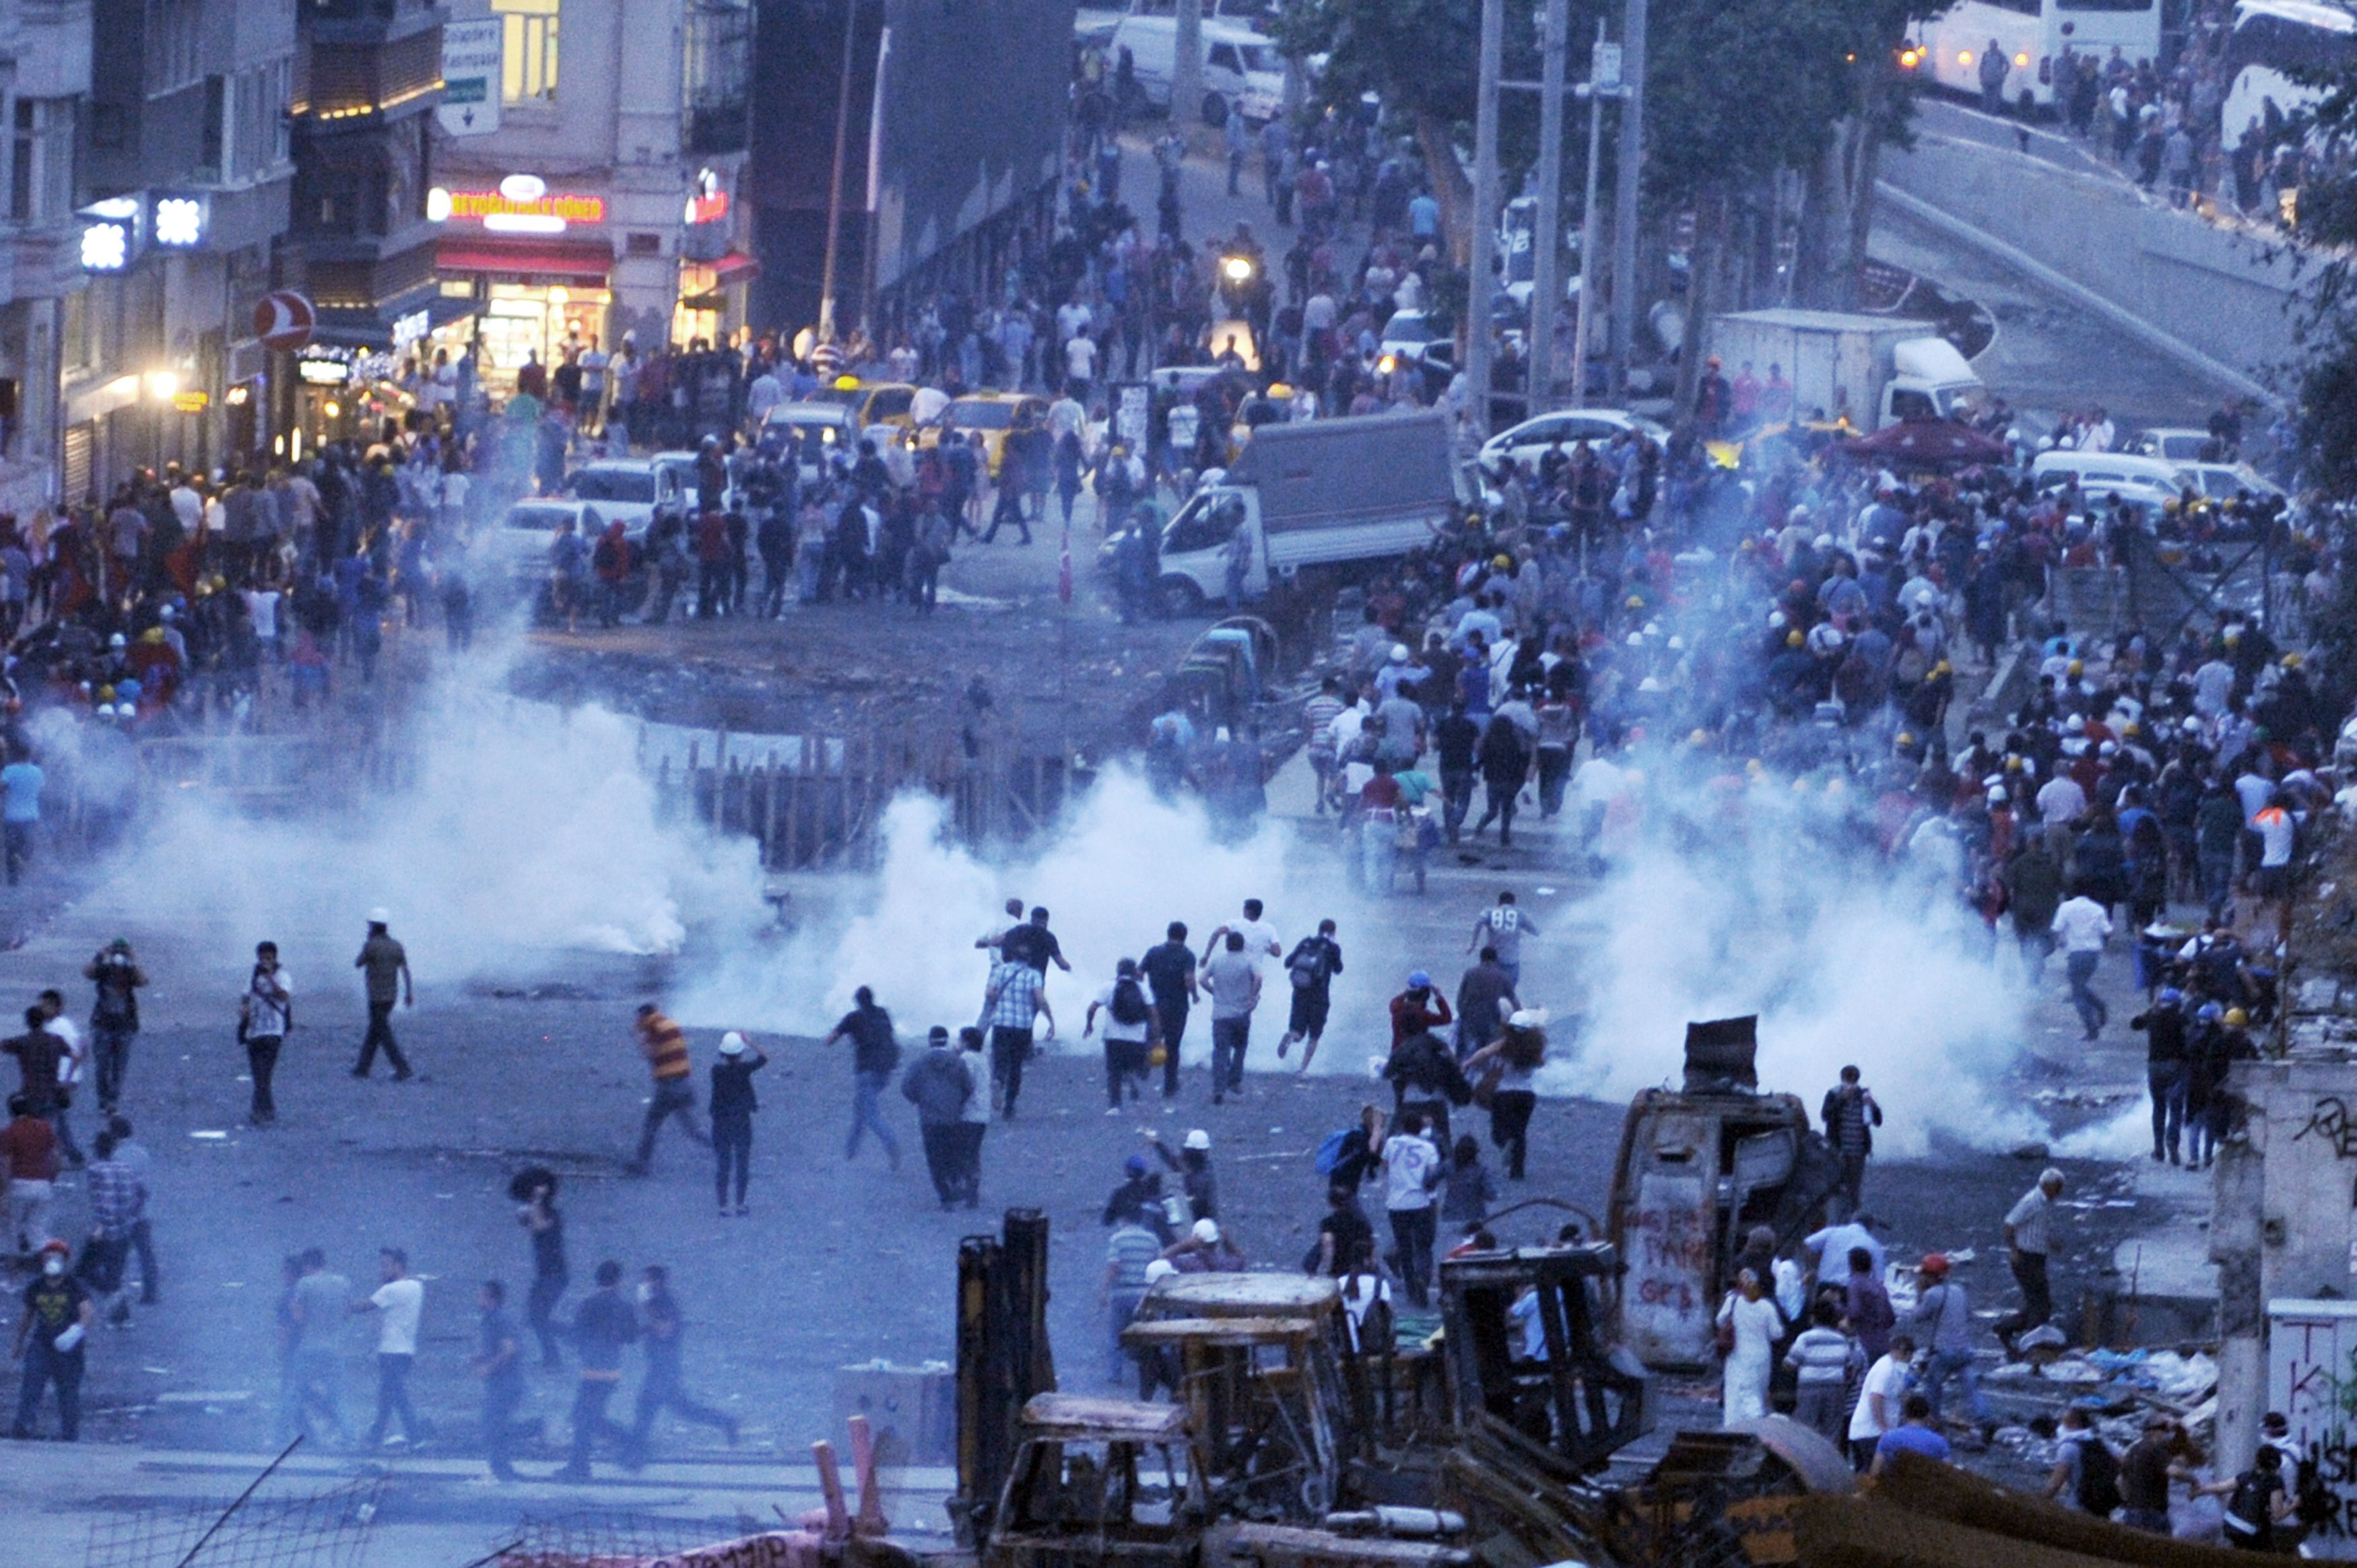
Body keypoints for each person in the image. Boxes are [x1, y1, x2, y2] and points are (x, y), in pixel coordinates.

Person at [627, 1264, 737, 1464]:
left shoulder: (663, 1302)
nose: (643, 1285)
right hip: (664, 1367)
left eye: (646, 1280)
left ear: (656, 1281)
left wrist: (645, 1308)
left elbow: (664, 1330)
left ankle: (635, 1452)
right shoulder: (660, 1301)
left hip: (663, 1369)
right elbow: (655, 1328)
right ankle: (726, 1422)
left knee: (646, 1408)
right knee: (682, 1409)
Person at [557, 1260, 639, 1480]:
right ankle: (582, 1464)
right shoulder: (625, 1306)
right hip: (612, 1370)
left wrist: (558, 1331)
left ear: (597, 1280)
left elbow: (577, 1337)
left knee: (584, 1418)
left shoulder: (588, 1305)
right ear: (619, 1282)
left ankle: (627, 1443)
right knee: (589, 1418)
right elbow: (631, 1337)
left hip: (592, 1370)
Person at [11, 1238, 94, 1440]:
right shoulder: (36, 1287)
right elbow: (27, 1316)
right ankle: (23, 1426)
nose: (52, 1260)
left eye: (57, 1256)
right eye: (48, 1256)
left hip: (69, 1349)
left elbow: (87, 1311)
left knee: (68, 1392)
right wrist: (19, 1344)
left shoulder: (74, 1285)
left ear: (64, 1260)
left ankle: (69, 1434)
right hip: (42, 1344)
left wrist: (75, 1332)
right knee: (31, 1385)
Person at [351, 1246, 428, 1449]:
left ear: (398, 1266)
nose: (381, 1270)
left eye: (386, 1265)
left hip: (390, 1352)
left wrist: (340, 1304)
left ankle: (416, 1438)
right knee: (387, 1398)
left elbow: (365, 1307)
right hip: (406, 1352)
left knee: (397, 1397)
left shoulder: (391, 1290)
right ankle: (374, 1438)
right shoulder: (417, 1287)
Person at [1371, 1108, 1442, 1308]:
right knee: (1423, 1247)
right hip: (1421, 1202)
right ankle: (1423, 1280)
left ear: (1403, 1126)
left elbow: (1384, 1166)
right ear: (1421, 1129)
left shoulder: (1392, 1143)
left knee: (1405, 1248)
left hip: (1397, 1204)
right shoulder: (1428, 1148)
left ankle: (1411, 1288)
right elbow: (1432, 1176)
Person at [824, 988, 902, 1167]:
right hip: (885, 1070)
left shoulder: (853, 1018)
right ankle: (850, 1150)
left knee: (871, 1114)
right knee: (861, 1107)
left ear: (858, 1001)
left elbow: (829, 1040)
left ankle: (891, 1143)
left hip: (866, 1071)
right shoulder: (883, 1013)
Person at [626, 1004, 707, 1173]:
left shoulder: (655, 1029)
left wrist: (638, 1037)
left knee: (651, 1125)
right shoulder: (669, 1024)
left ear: (643, 1016)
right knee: (693, 1130)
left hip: (668, 1087)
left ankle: (642, 1165)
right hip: (684, 1083)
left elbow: (650, 1054)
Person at [1463, 1011, 1545, 1180]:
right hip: (1527, 1095)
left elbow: (1484, 1053)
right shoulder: (1534, 1048)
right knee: (1520, 1133)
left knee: (1498, 1130)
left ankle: (1505, 1142)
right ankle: (1517, 1172)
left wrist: (1468, 1063)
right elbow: (1540, 1063)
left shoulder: (1504, 1045)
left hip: (1504, 1094)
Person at [904, 1027, 978, 1208]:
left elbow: (906, 1087)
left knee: (935, 1159)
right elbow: (969, 1087)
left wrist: (918, 1100)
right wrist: (958, 1103)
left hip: (929, 1119)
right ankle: (956, 1185)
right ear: (946, 1041)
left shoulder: (919, 1063)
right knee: (953, 1154)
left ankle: (945, 1197)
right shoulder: (958, 1063)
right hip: (953, 1117)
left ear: (930, 1041)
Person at [1912, 1252, 1988, 1429]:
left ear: (1930, 1276)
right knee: (1971, 1387)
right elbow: (1969, 1315)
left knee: (1932, 1384)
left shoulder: (1932, 1294)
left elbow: (1918, 1316)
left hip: (1945, 1351)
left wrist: (1919, 1293)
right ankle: (1984, 1418)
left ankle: (1933, 1420)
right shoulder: (1959, 1290)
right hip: (1965, 1349)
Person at [1995, 1169, 2064, 1355]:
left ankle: (2007, 1328)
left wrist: (2051, 1242)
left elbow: (2041, 1226)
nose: (2059, 1192)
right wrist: (2014, 1250)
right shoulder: (2031, 1201)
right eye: (2057, 1188)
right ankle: (2032, 1343)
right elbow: (2010, 1223)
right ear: (2048, 1186)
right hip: (2026, 1258)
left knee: (2039, 1303)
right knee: (2039, 1304)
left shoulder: (2047, 1203)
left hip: (2038, 1257)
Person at [982, 953, 1053, 1119]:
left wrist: (999, 1000)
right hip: (1023, 1026)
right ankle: (1009, 1106)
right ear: (1028, 959)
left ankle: (998, 1079)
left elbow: (989, 993)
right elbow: (1040, 999)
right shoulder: (1033, 974)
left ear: (1012, 956)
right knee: (1016, 1065)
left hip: (1001, 1023)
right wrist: (1050, 1020)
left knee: (999, 1059)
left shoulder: (1000, 971)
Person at [1087, 959, 1161, 1112]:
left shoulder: (1108, 987)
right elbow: (1153, 1013)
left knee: (1114, 1072)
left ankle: (1115, 1104)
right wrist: (1156, 1037)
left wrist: (1089, 1025)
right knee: (1137, 1065)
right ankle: (1132, 1074)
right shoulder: (1143, 988)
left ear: (1118, 971)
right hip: (1137, 1038)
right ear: (1134, 972)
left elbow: (1092, 1008)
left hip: (1113, 1038)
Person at [472, 1280, 528, 1483]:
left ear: (491, 1298)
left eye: (480, 1296)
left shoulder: (500, 1320)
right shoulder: (489, 1320)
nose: (477, 1299)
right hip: (499, 1384)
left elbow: (509, 1349)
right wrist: (479, 1359)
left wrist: (489, 1367)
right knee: (494, 1427)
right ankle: (502, 1470)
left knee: (493, 1427)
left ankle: (503, 1471)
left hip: (506, 1384)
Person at [512, 1169, 568, 1368]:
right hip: (547, 1274)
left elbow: (539, 1227)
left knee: (537, 1318)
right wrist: (532, 1203)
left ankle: (567, 1343)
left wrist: (536, 1199)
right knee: (535, 1318)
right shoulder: (537, 1212)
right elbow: (523, 1219)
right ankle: (555, 1353)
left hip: (555, 1275)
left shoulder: (553, 1215)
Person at [708, 1031, 768, 1216]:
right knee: (742, 1163)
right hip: (741, 1120)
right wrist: (749, 1042)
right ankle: (740, 1203)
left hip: (721, 1121)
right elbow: (764, 1057)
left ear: (722, 1053)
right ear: (740, 1053)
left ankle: (723, 1205)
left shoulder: (716, 1071)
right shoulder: (744, 1069)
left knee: (723, 1163)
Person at [1716, 1266, 1785, 1426]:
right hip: (1762, 1355)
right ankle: (1755, 1424)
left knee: (1736, 1393)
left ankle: (1739, 1426)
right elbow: (1777, 1334)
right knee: (1757, 1393)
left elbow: (1720, 1320)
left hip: (1738, 1355)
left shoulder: (1733, 1301)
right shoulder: (1767, 1306)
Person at [82, 938, 144, 1114]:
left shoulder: (130, 971)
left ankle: (112, 1101)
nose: (119, 955)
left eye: (122, 951)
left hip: (124, 1026)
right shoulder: (105, 970)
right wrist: (100, 956)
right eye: (116, 951)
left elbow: (142, 981)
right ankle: (103, 1101)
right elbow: (88, 973)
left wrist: (133, 960)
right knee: (102, 1066)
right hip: (103, 1024)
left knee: (119, 1067)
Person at [351, 909, 413, 1080]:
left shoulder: (372, 946)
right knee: (375, 1032)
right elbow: (405, 971)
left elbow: (358, 963)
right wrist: (408, 994)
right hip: (391, 997)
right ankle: (362, 1068)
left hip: (376, 997)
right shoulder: (396, 945)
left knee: (383, 1034)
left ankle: (402, 1068)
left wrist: (367, 944)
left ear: (373, 927)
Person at [1201, 930, 1261, 1105]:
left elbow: (1202, 980)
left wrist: (1214, 992)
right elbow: (1259, 977)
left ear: (1227, 944)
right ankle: (1234, 1080)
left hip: (1220, 1013)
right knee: (1240, 1047)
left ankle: (1218, 1089)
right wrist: (1252, 995)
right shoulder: (1249, 960)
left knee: (1220, 1051)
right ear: (1242, 945)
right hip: (1242, 1012)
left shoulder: (1217, 960)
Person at [1102, 1209, 1163, 1384]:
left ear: (1124, 1219)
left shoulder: (1117, 1239)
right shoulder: (1152, 1239)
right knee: (1148, 1336)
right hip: (1145, 1295)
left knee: (1116, 1335)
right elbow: (1160, 1261)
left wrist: (1104, 1291)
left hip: (1121, 1293)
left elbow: (1113, 1267)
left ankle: (1115, 1375)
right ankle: (1152, 1374)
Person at [1139, 923, 1197, 1098]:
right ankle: (1170, 1086)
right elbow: (1189, 979)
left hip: (1155, 1006)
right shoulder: (1187, 955)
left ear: (1168, 934)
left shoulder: (1154, 952)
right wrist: (1194, 995)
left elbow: (1139, 973)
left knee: (1152, 1039)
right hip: (1177, 1007)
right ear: (1184, 936)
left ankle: (1144, 1065)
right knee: (1173, 1047)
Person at [238, 941, 293, 1126]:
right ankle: (267, 1109)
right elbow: (245, 995)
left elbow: (284, 996)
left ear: (275, 958)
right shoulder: (253, 977)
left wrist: (271, 978)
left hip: (274, 1031)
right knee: (258, 1075)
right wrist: (244, 1008)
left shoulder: (283, 976)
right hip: (254, 1031)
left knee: (264, 1073)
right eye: (262, 958)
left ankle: (259, 1112)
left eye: (268, 958)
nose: (265, 962)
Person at [1277, 920, 1343, 1068]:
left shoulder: (1306, 942)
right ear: (1334, 932)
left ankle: (1290, 1037)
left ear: (1318, 929)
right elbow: (1339, 969)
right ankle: (1302, 1070)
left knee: (1298, 1032)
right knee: (1314, 1035)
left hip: (1300, 993)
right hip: (1320, 996)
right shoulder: (1333, 947)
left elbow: (1288, 962)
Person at [1785, 1299, 1854, 1443]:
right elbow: (1849, 1368)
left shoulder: (1805, 1338)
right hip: (1835, 1388)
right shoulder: (1841, 1340)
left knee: (1805, 1429)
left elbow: (1790, 1364)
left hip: (1809, 1388)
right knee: (1832, 1431)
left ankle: (1805, 1463)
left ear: (1814, 1318)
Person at [1820, 1066, 1881, 1218]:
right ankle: (1835, 1219)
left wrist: (1873, 1105)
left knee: (1854, 1189)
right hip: (1838, 1151)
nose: (1851, 1082)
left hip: (1857, 1151)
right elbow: (1826, 1116)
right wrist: (1842, 1100)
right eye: (1848, 1078)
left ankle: (1853, 1220)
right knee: (1836, 1187)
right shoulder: (1834, 1094)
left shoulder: (1864, 1097)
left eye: (1853, 1079)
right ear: (1842, 1079)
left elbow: (1878, 1121)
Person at [2054, 885, 2114, 1040]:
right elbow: (2108, 931)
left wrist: (2061, 941)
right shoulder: (2098, 909)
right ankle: (2100, 1007)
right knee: (2079, 986)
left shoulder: (2066, 907)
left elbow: (2056, 928)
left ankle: (2091, 1028)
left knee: (2078, 993)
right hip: (2093, 954)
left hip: (2076, 953)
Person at [1848, 1331, 1913, 1471]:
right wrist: (1883, 1428)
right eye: (1909, 1358)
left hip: (1876, 1431)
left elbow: (1902, 1394)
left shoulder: (1897, 1368)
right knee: (1876, 1473)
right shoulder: (1885, 1368)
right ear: (1905, 1353)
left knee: (1867, 1472)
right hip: (1871, 1431)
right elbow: (1876, 1397)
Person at [4, 1095, 56, 1258]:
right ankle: (50, 1268)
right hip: (43, 1185)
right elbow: (56, 1158)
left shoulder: (9, 1132)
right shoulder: (46, 1128)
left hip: (19, 1184)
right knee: (38, 1231)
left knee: (9, 1229)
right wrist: (49, 1180)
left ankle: (12, 1273)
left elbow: (5, 1165)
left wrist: (3, 1193)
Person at [2045, 1406, 2121, 1517]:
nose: (2060, 1427)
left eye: (2064, 1423)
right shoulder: (2100, 1441)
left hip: (2078, 1507)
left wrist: (2039, 1502)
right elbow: (2124, 1462)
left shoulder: (2067, 1447)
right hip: (2104, 1505)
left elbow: (2055, 1485)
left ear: (2075, 1424)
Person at [2119, 1416, 2189, 1533]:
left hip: (2132, 1512)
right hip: (2152, 1514)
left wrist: (2127, 1502)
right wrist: (2193, 1480)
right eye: (2165, 1431)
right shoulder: (2156, 1449)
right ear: (2157, 1432)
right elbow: (2174, 1472)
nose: (2167, 1436)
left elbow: (2121, 1481)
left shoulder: (2134, 1450)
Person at [1454, 947, 1519, 1062]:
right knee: (1489, 1050)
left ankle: (1457, 1065)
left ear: (1481, 959)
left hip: (1470, 1019)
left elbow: (1460, 999)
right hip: (1491, 1020)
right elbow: (1514, 1001)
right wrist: (1521, 1018)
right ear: (1496, 960)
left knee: (1461, 1047)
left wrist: (1463, 1015)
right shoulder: (1503, 976)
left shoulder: (1470, 973)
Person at [1870, 1394, 1954, 1475]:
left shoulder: (1888, 1438)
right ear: (1927, 1415)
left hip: (1895, 1486)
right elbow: (1948, 1472)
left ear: (1906, 1414)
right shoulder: (1939, 1441)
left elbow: (1875, 1471)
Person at [1469, 891, 1538, 988]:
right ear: (1514, 903)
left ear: (1499, 902)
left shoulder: (1489, 912)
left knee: (1490, 986)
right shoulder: (1520, 913)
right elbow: (1535, 931)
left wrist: (1473, 944)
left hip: (1493, 957)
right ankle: (1507, 1000)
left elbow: (1478, 923)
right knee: (1509, 988)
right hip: (1512, 958)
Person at [1151, 1128, 1220, 1222]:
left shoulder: (1193, 1167)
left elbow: (1173, 1161)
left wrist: (1158, 1144)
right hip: (1202, 1214)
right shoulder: (1203, 1167)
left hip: (1199, 1214)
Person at [1, 743, 42, 885]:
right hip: (31, 815)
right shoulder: (37, 771)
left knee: (11, 847)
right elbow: (41, 789)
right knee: (28, 846)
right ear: (29, 755)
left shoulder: (9, 770)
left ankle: (13, 880)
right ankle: (22, 860)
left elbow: (2, 788)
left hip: (11, 815)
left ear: (16, 755)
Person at [1440, 1134, 1496, 1230]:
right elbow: (1491, 1195)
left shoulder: (1447, 1166)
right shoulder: (1482, 1170)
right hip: (1475, 1216)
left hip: (1450, 1215)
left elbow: (1429, 1181)